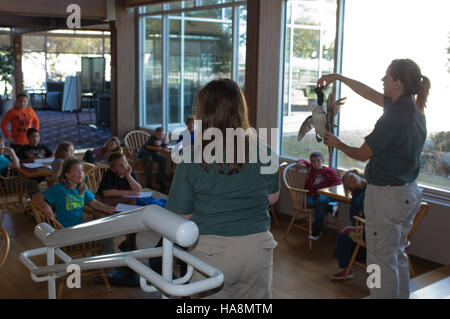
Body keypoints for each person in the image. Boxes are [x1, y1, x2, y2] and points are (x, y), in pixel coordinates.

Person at [319, 58, 429, 298]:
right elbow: (368, 93)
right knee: (395, 256)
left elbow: (362, 154)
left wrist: (337, 143)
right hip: (406, 194)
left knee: (379, 263)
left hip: (387, 199)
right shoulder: (412, 108)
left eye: (387, 76)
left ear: (397, 84)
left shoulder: (395, 118)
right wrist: (338, 77)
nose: (382, 80)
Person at [166, 79, 280, 299]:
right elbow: (272, 198)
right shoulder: (264, 150)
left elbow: (182, 215)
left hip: (212, 252)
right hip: (258, 249)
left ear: (204, 114)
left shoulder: (191, 157)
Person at [32, 158, 115, 227]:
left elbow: (94, 203)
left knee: (106, 228)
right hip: (65, 229)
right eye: (77, 171)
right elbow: (36, 197)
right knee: (105, 235)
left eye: (82, 170)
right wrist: (46, 206)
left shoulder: (82, 188)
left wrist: (106, 208)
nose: (81, 173)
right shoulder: (59, 189)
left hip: (79, 225)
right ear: (67, 174)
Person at [330, 169, 367, 280]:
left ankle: (361, 230)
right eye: (349, 183)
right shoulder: (356, 197)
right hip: (362, 226)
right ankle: (345, 269)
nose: (351, 181)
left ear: (356, 173)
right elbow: (353, 216)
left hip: (376, 226)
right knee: (342, 239)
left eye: (351, 177)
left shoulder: (373, 185)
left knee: (345, 242)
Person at [296, 152, 342, 240]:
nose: (315, 163)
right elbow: (304, 161)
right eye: (313, 161)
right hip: (311, 196)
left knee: (320, 202)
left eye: (318, 161)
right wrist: (300, 161)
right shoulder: (311, 168)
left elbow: (338, 182)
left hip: (323, 195)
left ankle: (316, 231)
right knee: (306, 203)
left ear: (323, 161)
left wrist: (329, 189)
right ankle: (330, 206)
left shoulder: (329, 171)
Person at [137, 127, 169, 192]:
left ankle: (159, 180)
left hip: (153, 153)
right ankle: (148, 184)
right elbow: (157, 143)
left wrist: (166, 135)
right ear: (155, 134)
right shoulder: (152, 138)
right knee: (149, 160)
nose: (160, 136)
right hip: (144, 153)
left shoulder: (162, 138)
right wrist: (162, 139)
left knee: (163, 159)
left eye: (162, 134)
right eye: (158, 134)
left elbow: (166, 142)